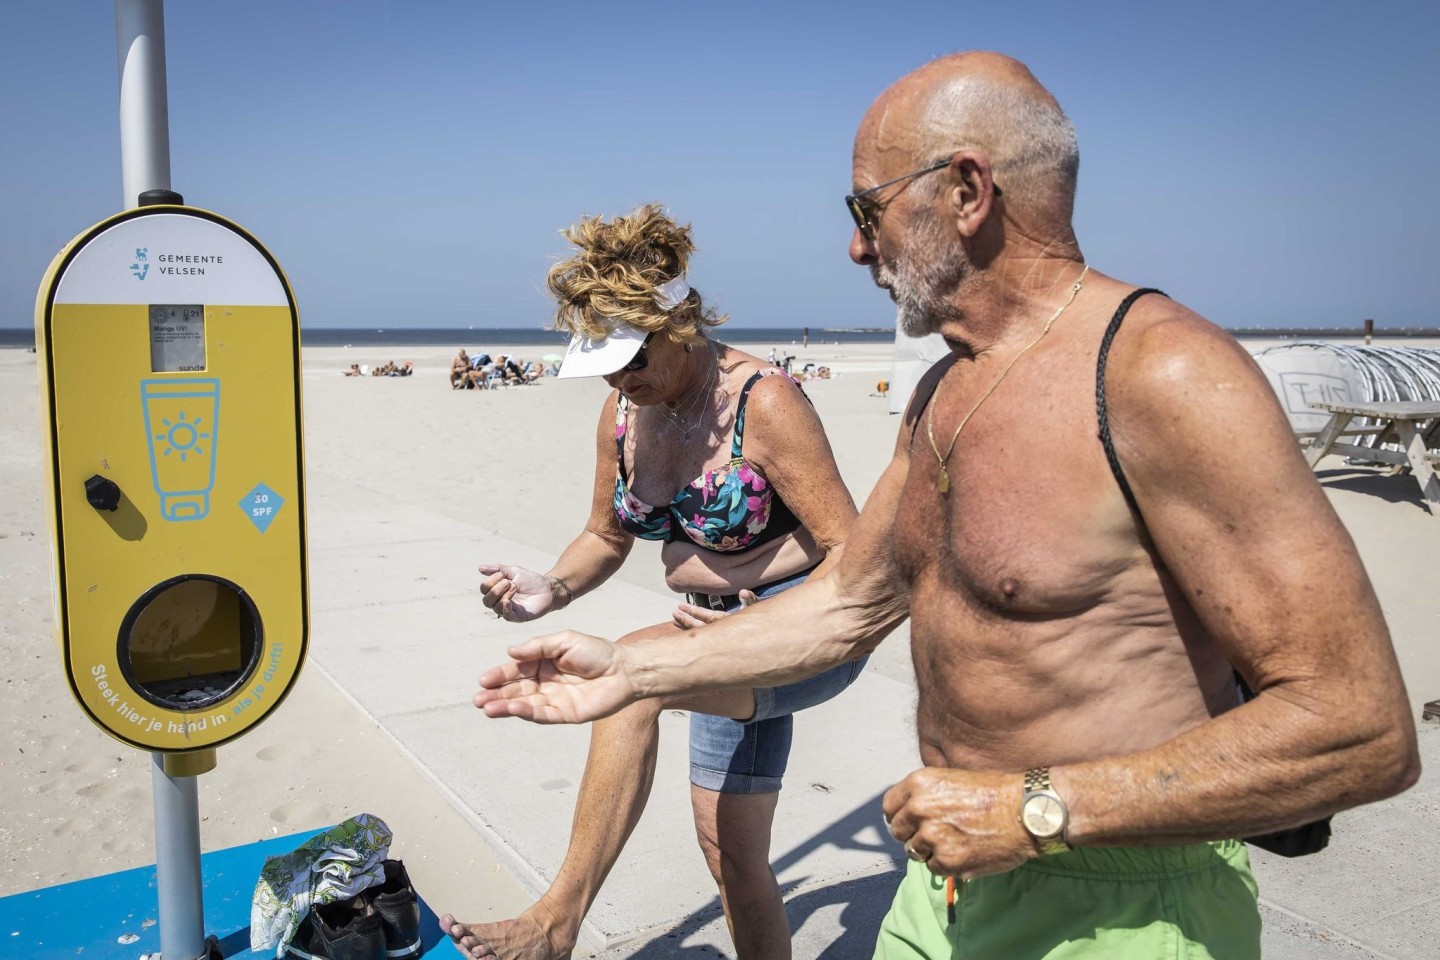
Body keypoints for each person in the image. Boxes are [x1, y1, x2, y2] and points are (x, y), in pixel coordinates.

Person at [472, 53, 1420, 959]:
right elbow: (849, 601)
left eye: (866, 208)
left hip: (1118, 895)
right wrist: (632, 673)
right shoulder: (944, 396)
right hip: (945, 880)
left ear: (967, 192)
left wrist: (1033, 810)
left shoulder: (1162, 374)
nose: (854, 246)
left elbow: (1360, 723)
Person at [441, 203, 863, 960]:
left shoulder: (764, 402)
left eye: (633, 358)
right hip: (708, 629)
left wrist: (758, 633)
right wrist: (551, 586)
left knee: (636, 676)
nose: (620, 377)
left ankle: (554, 924)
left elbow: (854, 556)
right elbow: (605, 535)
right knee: (728, 852)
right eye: (603, 363)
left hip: (805, 628)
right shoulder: (622, 414)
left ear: (681, 326)